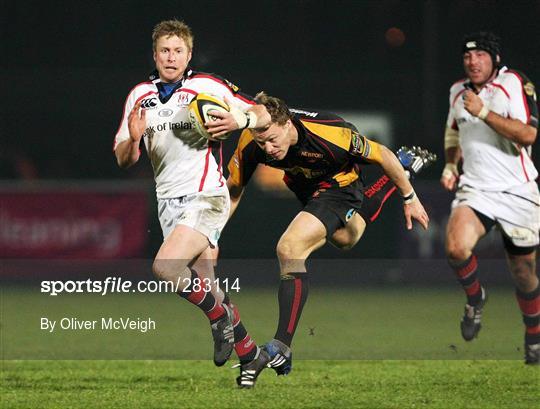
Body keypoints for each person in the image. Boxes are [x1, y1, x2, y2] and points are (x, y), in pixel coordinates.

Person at [214, 92, 432, 381]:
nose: (267, 148)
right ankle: (405, 167)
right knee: (346, 239)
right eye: (261, 142)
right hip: (307, 186)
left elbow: (382, 155)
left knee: (290, 247)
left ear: (288, 124)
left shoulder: (333, 135)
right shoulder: (252, 139)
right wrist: (211, 234)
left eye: (272, 140)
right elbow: (234, 191)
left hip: (340, 185)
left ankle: (281, 346)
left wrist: (410, 198)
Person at [113, 19, 272, 387]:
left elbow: (261, 113)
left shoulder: (207, 86)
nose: (171, 57)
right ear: (155, 55)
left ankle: (219, 320)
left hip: (207, 196)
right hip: (168, 202)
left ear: (189, 54)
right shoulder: (139, 96)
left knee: (165, 268)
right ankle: (251, 353)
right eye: (165, 51)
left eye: (178, 51)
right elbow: (124, 159)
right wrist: (133, 140)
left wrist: (238, 120)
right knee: (209, 288)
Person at [440, 31, 539, 365]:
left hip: (517, 191)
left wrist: (484, 113)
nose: (473, 62)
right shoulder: (457, 91)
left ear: (495, 59)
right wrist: (452, 163)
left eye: (480, 55)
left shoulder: (515, 83)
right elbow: (453, 130)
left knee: (524, 273)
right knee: (455, 248)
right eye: (468, 56)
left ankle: (534, 337)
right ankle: (475, 298)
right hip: (477, 189)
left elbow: (528, 135)